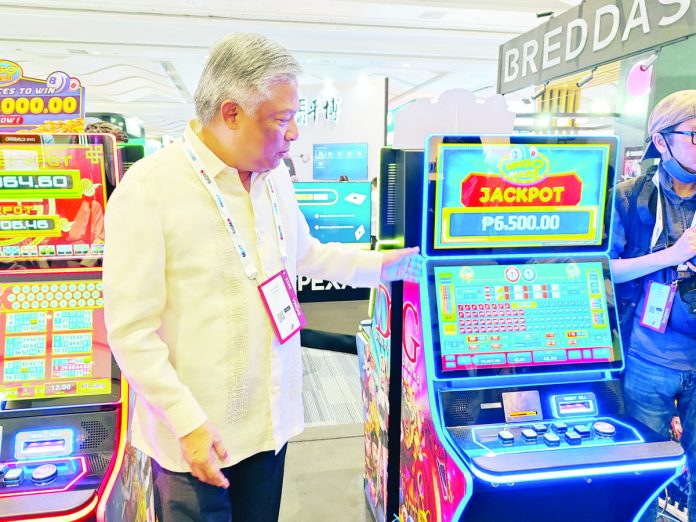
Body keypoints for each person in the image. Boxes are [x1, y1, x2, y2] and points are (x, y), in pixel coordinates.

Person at [102, 33, 421, 522]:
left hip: (270, 425)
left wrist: (390, 264)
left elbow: (308, 256)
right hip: (198, 441)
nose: (293, 134)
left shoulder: (275, 180)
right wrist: (187, 425)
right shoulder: (149, 191)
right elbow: (130, 331)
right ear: (231, 114)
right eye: (282, 119)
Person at [611, 90, 696, 521]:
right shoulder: (628, 197)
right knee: (644, 473)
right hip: (648, 356)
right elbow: (605, 270)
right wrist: (671, 254)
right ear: (661, 142)